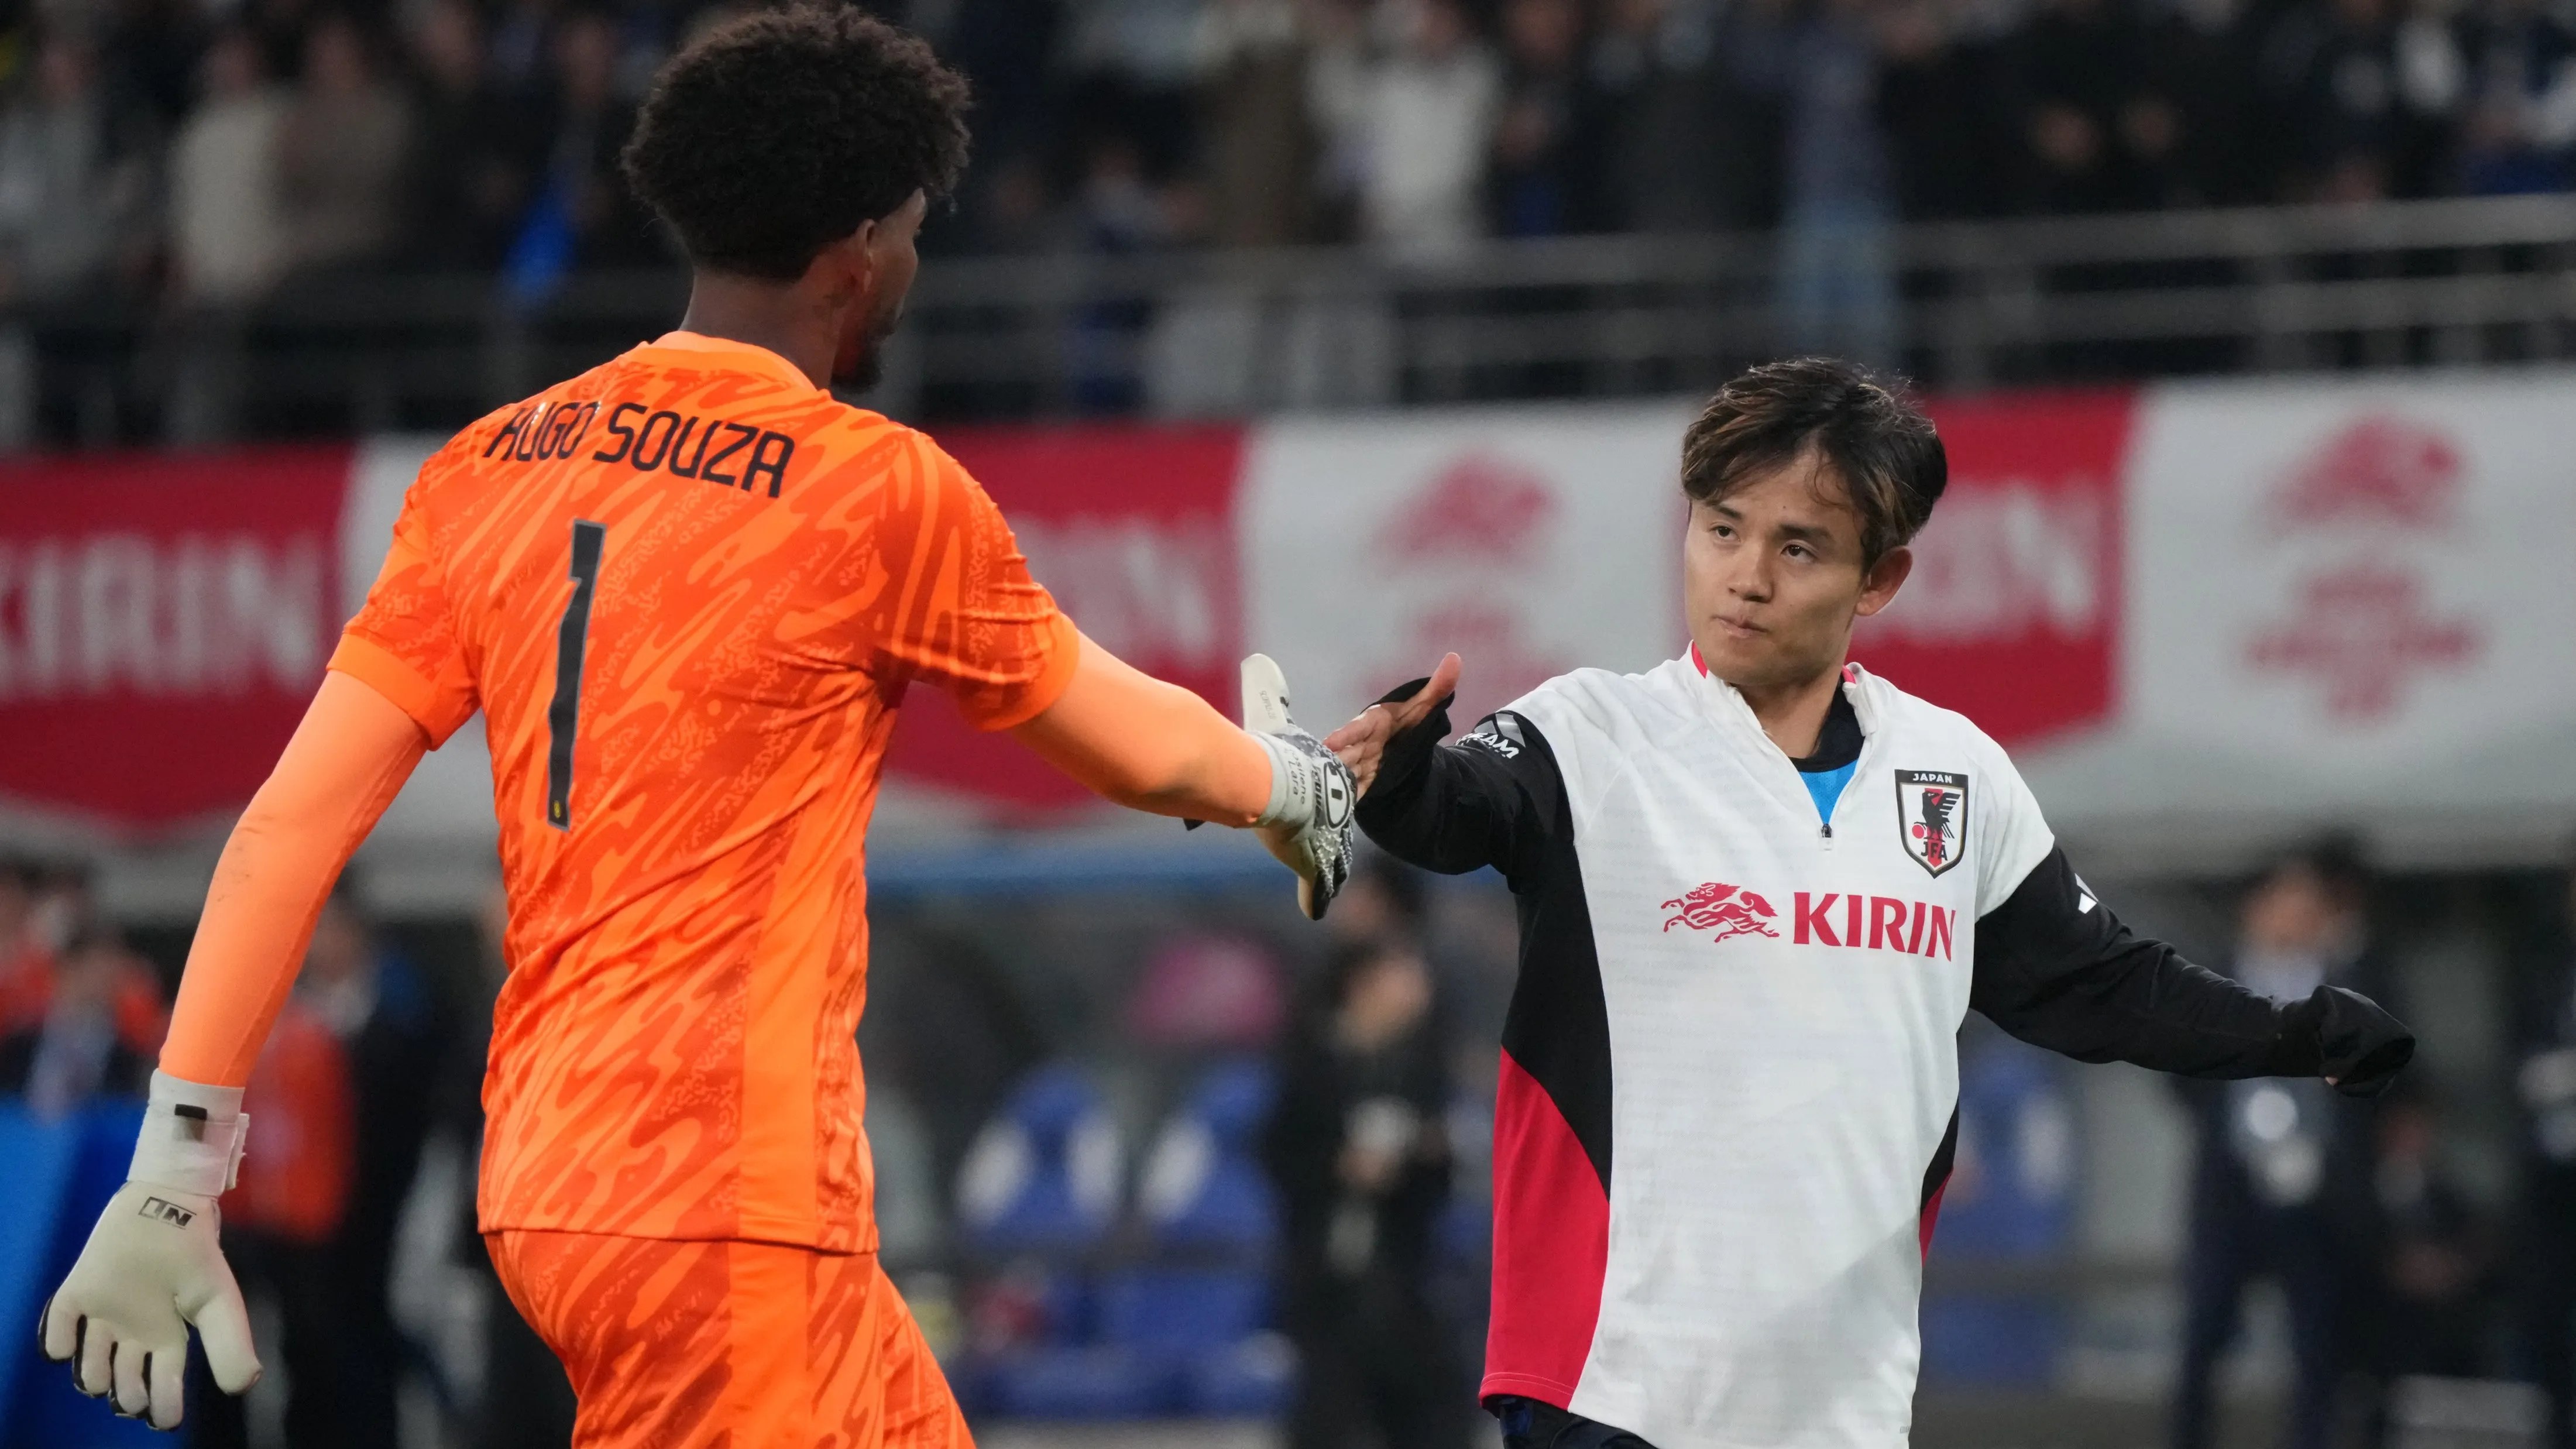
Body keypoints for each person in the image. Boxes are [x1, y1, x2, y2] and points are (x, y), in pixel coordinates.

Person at [36, 8, 1358, 1443]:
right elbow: (1139, 747)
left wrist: (177, 1161)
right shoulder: (872, 489)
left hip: (553, 1176)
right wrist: (1289, 784)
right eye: (914, 232)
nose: (913, 265)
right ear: (863, 244)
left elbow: (288, 828)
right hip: (720, 1200)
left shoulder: (487, 469)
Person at [1325, 357, 2416, 1449]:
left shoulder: (1954, 772)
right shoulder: (1592, 736)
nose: (1745, 576)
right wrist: (1407, 772)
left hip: (1841, 1404)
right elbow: (1452, 812)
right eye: (1720, 528)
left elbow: (2099, 985)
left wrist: (2291, 1031)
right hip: (1614, 1381)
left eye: (1796, 547)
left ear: (1878, 578)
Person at [2169, 842, 2390, 1449]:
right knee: (2205, 1330)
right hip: (2233, 1181)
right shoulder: (2210, 980)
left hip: (2317, 1188)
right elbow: (2177, 1071)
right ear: (2254, 907)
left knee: (2317, 1335)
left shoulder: (2347, 983)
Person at [1265, 935, 1469, 1449]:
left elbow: (1443, 1175)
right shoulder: (1312, 1063)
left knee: (1435, 1405)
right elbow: (1279, 1153)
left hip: (1403, 1273)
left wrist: (1426, 1156)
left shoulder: (1422, 1071)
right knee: (1329, 1408)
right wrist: (1339, 1166)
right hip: (1328, 1274)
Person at [0, 919, 156, 1115]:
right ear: (66, 970)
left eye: (110, 973)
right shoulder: (17, 1047)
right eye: (92, 969)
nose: (100, 983)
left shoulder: (129, 1064)